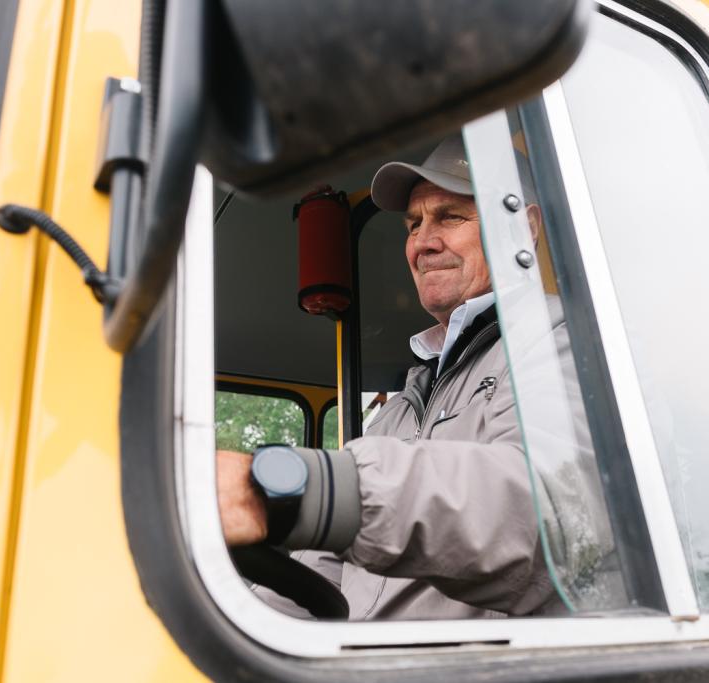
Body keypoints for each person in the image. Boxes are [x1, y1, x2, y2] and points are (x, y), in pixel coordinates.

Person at [216, 135, 618, 620]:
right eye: (413, 224)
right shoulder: (404, 406)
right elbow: (325, 565)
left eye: (450, 217)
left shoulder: (563, 342)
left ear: (523, 228)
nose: (423, 242)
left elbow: (547, 513)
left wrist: (299, 491)